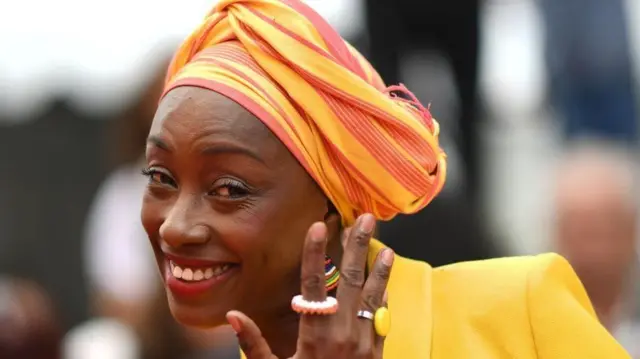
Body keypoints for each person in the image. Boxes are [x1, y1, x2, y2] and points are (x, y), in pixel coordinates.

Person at [140, 0, 629, 357]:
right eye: (160, 177)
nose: (175, 227)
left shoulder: (518, 315)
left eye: (229, 189)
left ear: (329, 199)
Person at [552, 141, 640, 357]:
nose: (593, 253)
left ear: (630, 230)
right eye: (580, 232)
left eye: (602, 230)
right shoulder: (530, 319)